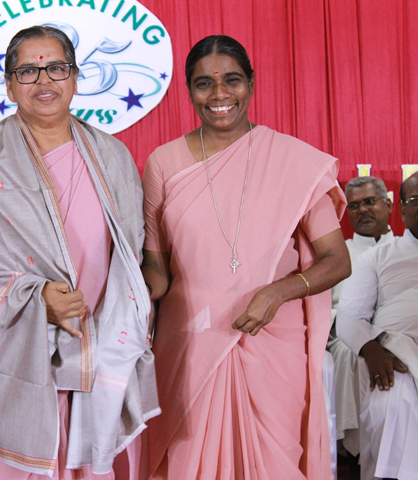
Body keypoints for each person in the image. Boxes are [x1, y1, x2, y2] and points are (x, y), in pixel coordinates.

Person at [0, 26, 158, 480]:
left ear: (75, 78)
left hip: (102, 340)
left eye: (56, 68)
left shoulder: (112, 156)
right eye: (28, 72)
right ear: (9, 84)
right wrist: (35, 302)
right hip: (23, 349)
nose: (43, 81)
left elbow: (130, 259)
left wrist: (118, 318)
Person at [141, 35, 351, 479]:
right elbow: (157, 267)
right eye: (204, 84)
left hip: (272, 341)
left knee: (273, 461)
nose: (219, 94)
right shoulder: (163, 163)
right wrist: (129, 290)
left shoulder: (293, 161)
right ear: (189, 90)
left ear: (252, 84)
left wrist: (279, 292)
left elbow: (337, 259)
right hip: (189, 341)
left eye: (232, 80)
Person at [336, 172, 418, 480]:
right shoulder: (375, 257)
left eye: (370, 202)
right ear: (403, 210)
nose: (363, 210)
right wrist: (371, 350)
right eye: (416, 200)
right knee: (391, 402)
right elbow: (349, 316)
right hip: (395, 351)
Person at [327, 176, 394, 461]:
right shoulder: (336, 254)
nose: (362, 210)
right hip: (345, 336)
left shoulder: (406, 249)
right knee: (354, 352)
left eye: (369, 202)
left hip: (398, 331)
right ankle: (356, 453)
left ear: (388, 204)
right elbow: (326, 310)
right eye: (354, 206)